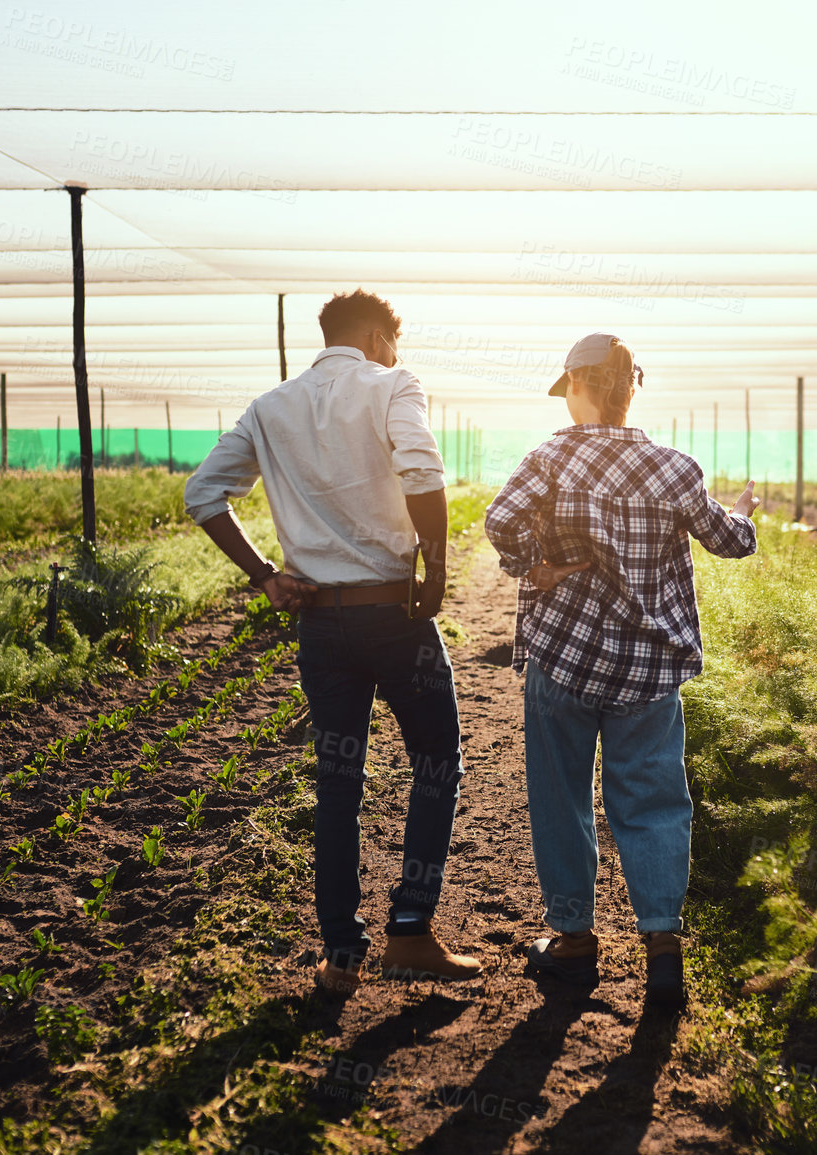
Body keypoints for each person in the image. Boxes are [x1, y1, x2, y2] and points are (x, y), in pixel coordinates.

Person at [184, 289, 480, 997]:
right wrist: (434, 574)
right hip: (393, 613)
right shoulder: (392, 384)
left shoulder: (270, 407)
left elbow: (203, 493)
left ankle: (339, 957)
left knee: (338, 785)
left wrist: (263, 577)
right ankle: (410, 928)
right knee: (436, 760)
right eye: (394, 343)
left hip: (320, 623)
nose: (396, 355)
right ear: (378, 336)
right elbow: (421, 471)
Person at [483, 332, 757, 1009]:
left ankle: (573, 944)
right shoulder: (674, 468)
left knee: (562, 799)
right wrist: (746, 510)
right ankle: (662, 945)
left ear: (576, 387)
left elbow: (499, 522)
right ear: (630, 389)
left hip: (563, 657)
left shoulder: (548, 458)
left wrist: (531, 562)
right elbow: (729, 542)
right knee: (654, 801)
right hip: (648, 666)